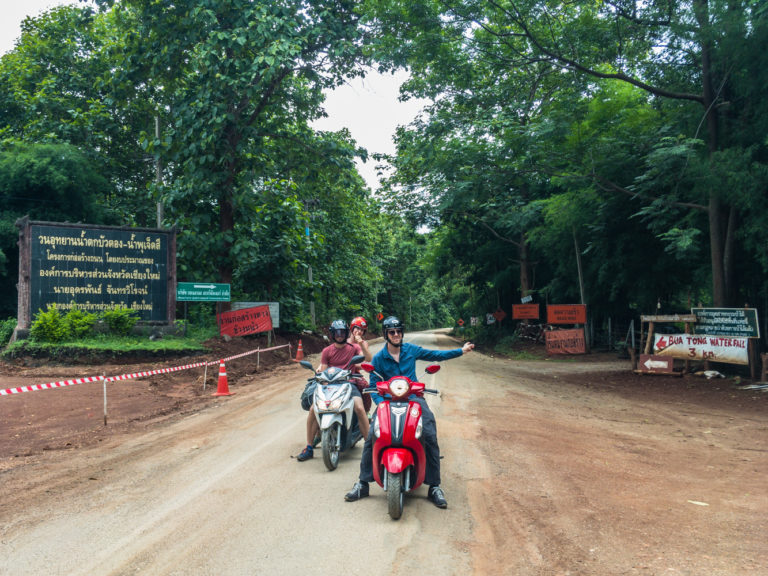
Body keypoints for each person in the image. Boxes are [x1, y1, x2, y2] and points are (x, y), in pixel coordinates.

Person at [344, 316, 474, 508]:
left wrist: (461, 351)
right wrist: (380, 404)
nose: (396, 335)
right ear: (385, 334)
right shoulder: (379, 358)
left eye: (398, 331)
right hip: (388, 401)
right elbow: (373, 385)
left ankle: (434, 486)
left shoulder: (411, 350)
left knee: (428, 432)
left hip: (413, 399)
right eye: (391, 332)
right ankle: (363, 483)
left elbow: (435, 355)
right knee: (372, 435)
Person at [297, 319, 370, 461]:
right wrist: (319, 375)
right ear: (332, 334)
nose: (339, 335)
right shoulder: (327, 351)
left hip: (349, 384)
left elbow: (367, 359)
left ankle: (370, 447)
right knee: (313, 409)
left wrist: (361, 344)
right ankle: (309, 447)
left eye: (342, 332)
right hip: (329, 386)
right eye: (337, 333)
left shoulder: (354, 349)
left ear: (346, 333)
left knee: (360, 408)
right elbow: (323, 371)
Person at [348, 316, 373, 412]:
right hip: (340, 374)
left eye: (362, 330)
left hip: (354, 375)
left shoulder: (363, 344)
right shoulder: (343, 342)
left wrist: (361, 344)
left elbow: (365, 360)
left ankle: (366, 411)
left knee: (365, 387)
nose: (359, 332)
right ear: (352, 328)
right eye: (357, 328)